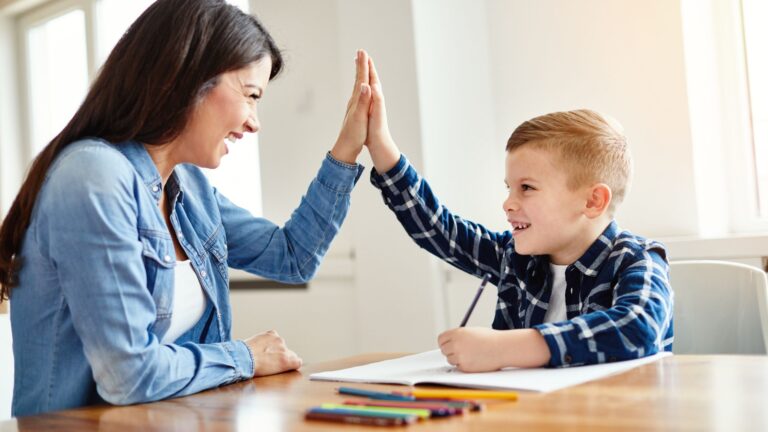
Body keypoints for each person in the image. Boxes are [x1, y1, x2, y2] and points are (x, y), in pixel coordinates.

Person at [0, 0, 374, 416]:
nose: (255, 121)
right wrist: (245, 357)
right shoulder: (93, 177)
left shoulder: (188, 188)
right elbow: (130, 375)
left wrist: (347, 149)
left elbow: (293, 257)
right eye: (250, 95)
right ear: (185, 77)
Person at [361, 58, 673, 371]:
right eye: (508, 188)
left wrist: (505, 348)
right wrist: (381, 146)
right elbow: (440, 229)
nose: (508, 203)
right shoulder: (516, 256)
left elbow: (638, 327)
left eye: (526, 188)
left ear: (592, 201)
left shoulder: (637, 259)